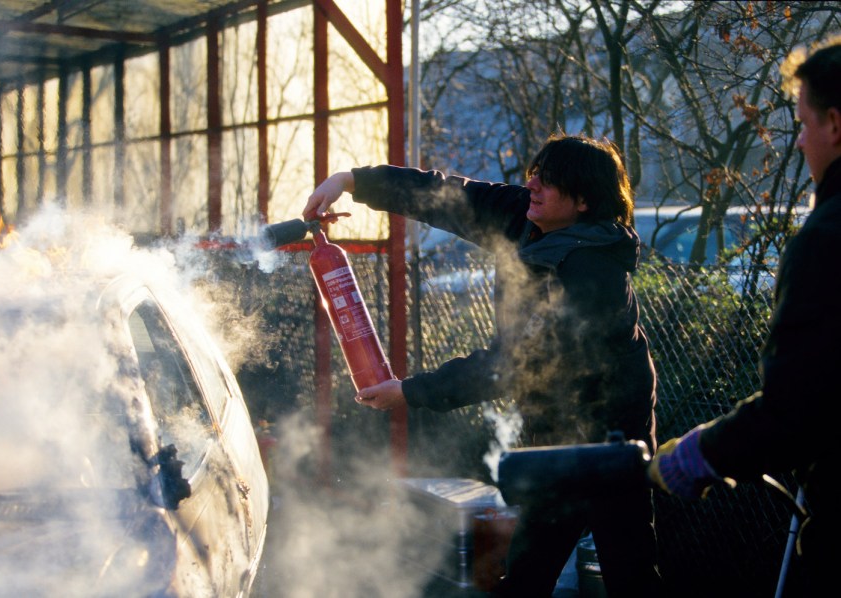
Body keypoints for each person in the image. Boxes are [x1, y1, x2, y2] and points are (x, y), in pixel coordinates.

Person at [304, 134, 662, 597]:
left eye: (548, 181)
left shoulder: (591, 274)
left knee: (628, 567)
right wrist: (351, 181)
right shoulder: (524, 215)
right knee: (531, 565)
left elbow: (513, 364)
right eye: (534, 172)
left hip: (613, 433)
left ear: (583, 202)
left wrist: (410, 392)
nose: (532, 184)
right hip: (553, 429)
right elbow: (446, 195)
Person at [648, 37, 841, 597]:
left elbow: (795, 411)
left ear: (834, 123)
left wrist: (698, 455)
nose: (799, 141)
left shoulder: (827, 241)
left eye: (804, 123)